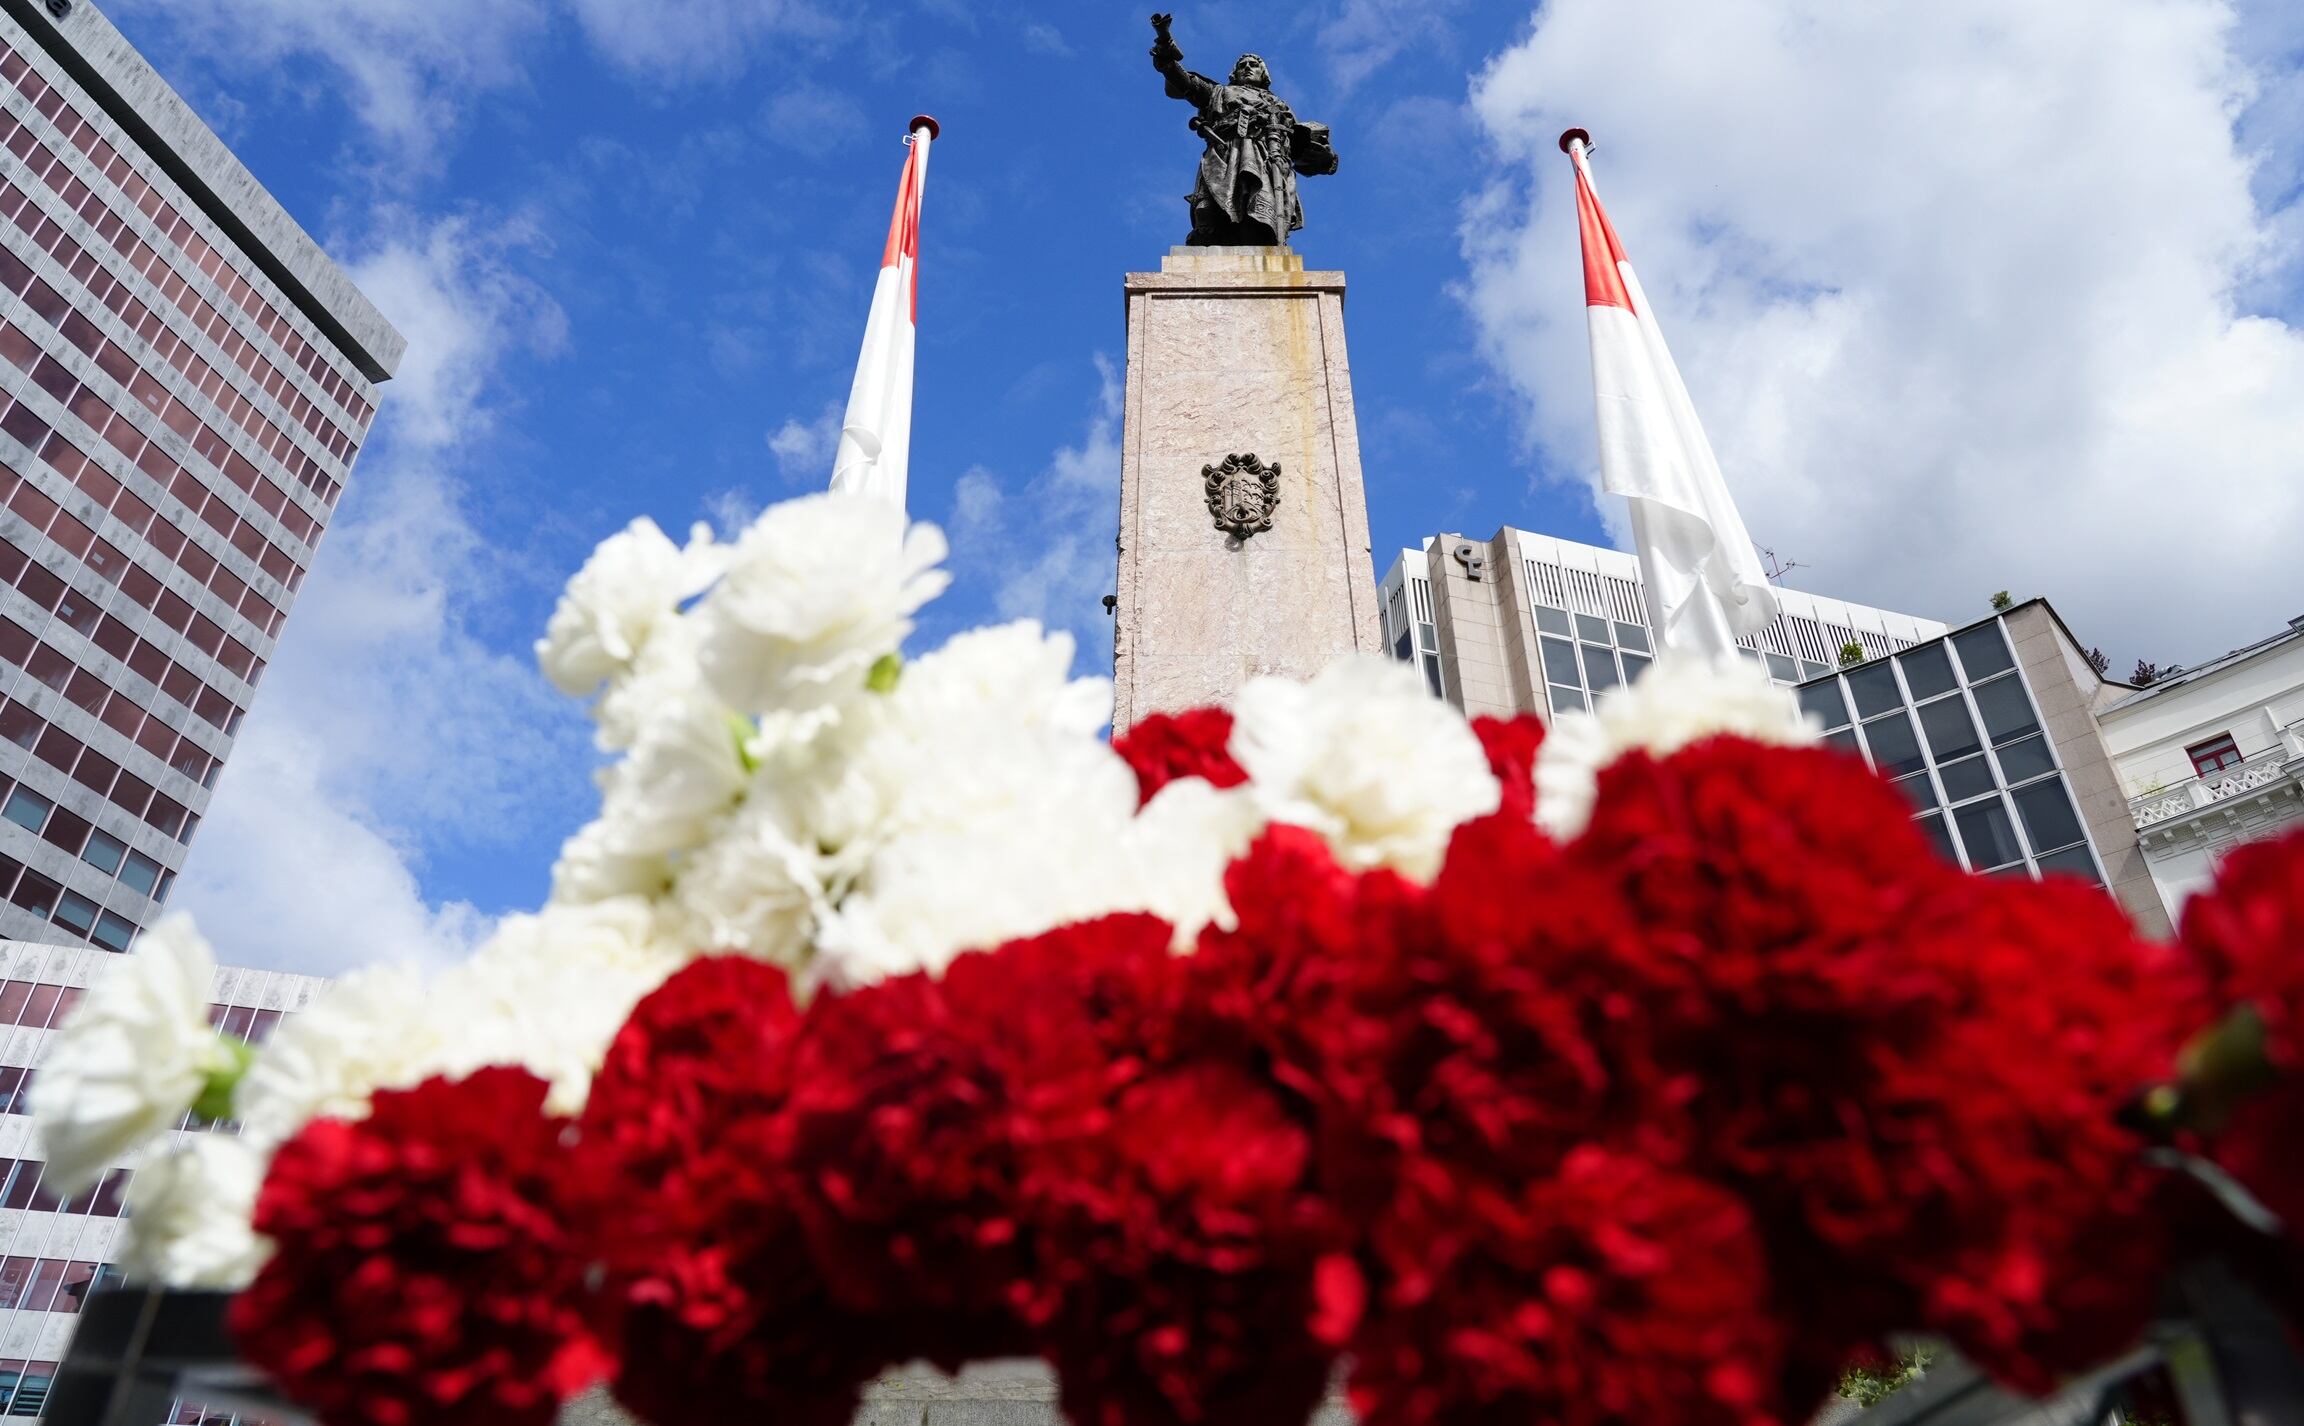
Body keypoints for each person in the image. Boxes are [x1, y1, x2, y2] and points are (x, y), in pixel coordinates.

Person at [1150, 14, 1338, 247]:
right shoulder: (1219, 92)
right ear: (1235, 73)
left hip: (1267, 160)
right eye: (1243, 65)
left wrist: (1319, 153)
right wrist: (1166, 51)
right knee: (1207, 212)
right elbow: (1186, 84)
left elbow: (1299, 144)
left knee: (1257, 218)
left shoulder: (1280, 105)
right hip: (1225, 151)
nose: (1247, 68)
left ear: (1263, 73)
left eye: (1254, 64)